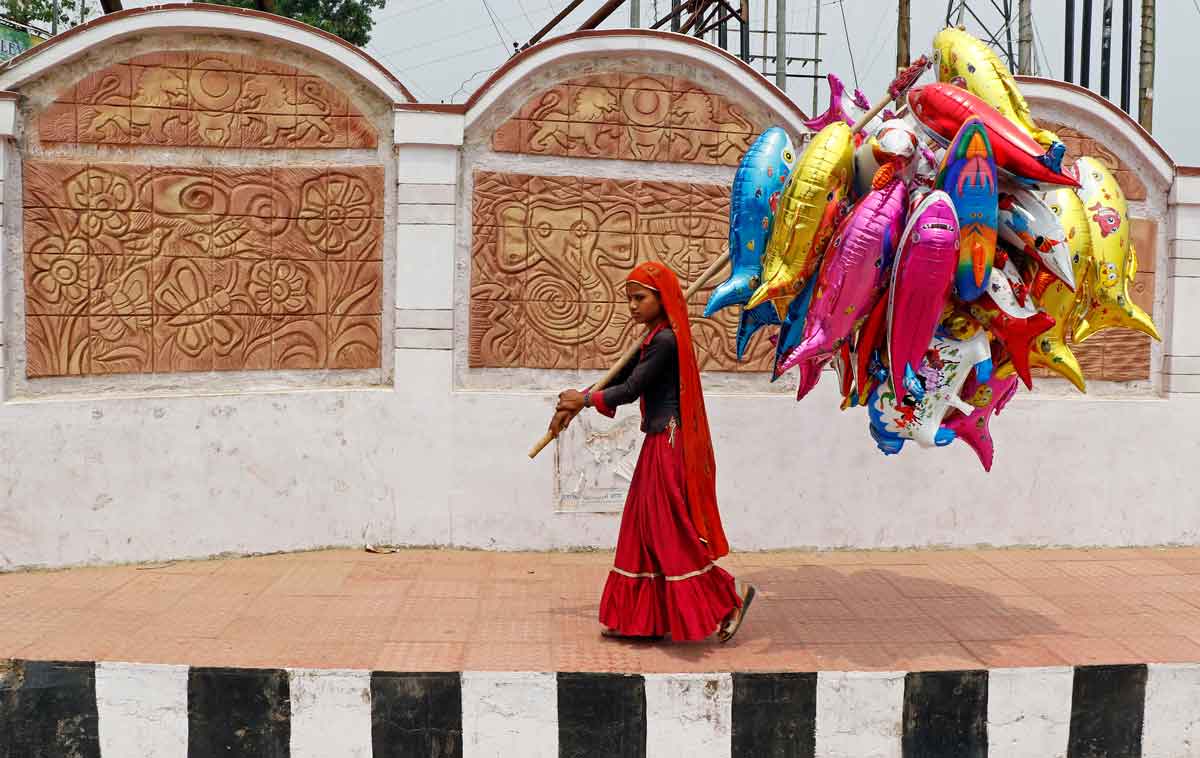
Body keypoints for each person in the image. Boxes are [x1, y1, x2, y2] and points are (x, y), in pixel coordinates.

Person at [553, 261, 755, 643]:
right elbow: (615, 380)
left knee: (667, 530)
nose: (632, 306)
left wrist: (583, 399)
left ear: (662, 300)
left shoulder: (665, 341)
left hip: (669, 442)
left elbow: (629, 391)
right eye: (629, 299)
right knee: (641, 527)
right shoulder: (650, 337)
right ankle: (641, 619)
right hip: (656, 441)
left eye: (640, 298)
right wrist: (577, 401)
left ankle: (731, 597)